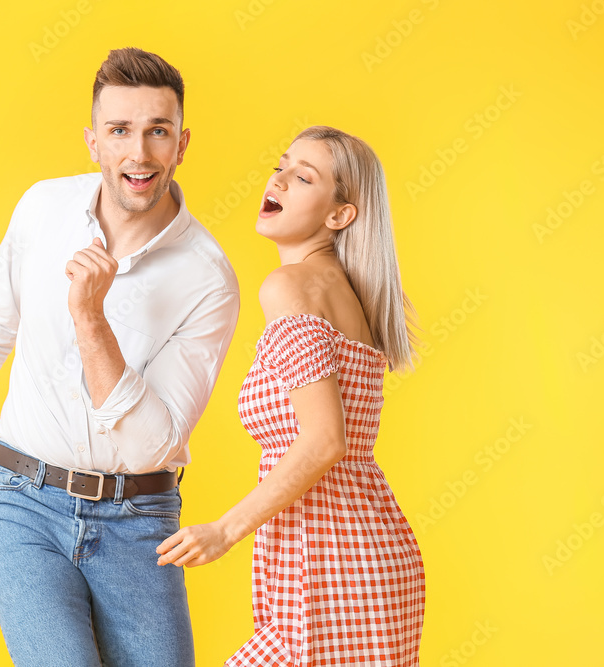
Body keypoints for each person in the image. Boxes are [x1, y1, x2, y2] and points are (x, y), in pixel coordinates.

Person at [0, 48, 239, 667]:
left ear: (181, 144)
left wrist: (90, 318)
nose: (138, 153)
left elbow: (151, 446)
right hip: (21, 496)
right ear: (92, 141)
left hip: (138, 519)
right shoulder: (42, 209)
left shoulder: (207, 277)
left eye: (157, 131)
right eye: (119, 131)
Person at [156, 125, 425, 666]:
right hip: (359, 547)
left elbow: (325, 440)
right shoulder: (342, 293)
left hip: (330, 558)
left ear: (339, 215)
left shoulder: (290, 288)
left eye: (303, 177)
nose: (277, 179)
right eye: (281, 165)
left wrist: (223, 530)